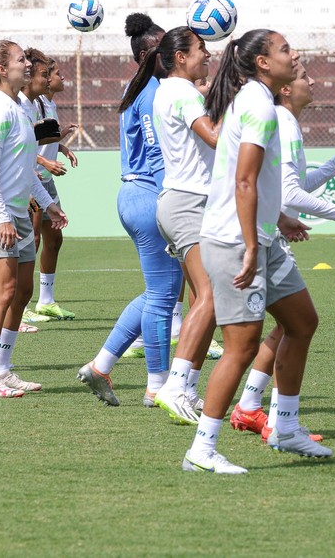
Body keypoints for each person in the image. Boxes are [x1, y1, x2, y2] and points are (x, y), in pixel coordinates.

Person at [183, 29, 329, 474]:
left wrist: (277, 219)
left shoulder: (251, 100)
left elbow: (255, 181)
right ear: (263, 62)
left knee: (302, 321)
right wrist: (250, 246)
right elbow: (243, 180)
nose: (295, 54)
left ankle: (285, 426)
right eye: (286, 49)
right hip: (235, 242)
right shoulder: (261, 106)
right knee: (241, 348)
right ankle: (202, 450)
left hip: (260, 237)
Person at [230, 60, 335, 438]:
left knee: (287, 325)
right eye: (305, 76)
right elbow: (290, 192)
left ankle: (249, 408)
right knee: (289, 326)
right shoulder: (283, 120)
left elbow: (294, 184)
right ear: (288, 89)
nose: (313, 81)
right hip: (263, 236)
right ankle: (270, 421)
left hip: (268, 230)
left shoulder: (283, 119)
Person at [77, 13, 184, 407]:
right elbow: (157, 153)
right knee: (164, 296)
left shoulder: (137, 85)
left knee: (159, 292)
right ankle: (157, 385)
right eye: (165, 50)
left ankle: (102, 365)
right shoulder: (153, 91)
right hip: (149, 195)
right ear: (148, 54)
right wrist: (172, 201)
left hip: (132, 194)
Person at [0, 41, 67, 397]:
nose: (27, 64)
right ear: (1, 69)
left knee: (23, 291)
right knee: (4, 290)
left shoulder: (19, 108)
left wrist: (48, 204)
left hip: (17, 212)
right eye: (21, 59)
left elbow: (25, 170)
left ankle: (3, 369)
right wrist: (2, 218)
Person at [144, 27, 220, 424]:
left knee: (201, 300)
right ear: (179, 57)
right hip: (189, 203)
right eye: (201, 49)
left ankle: (185, 387)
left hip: (184, 202)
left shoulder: (169, 90)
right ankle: (174, 386)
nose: (208, 54)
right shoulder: (183, 92)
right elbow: (214, 138)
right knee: (210, 295)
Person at [31, 55, 79, 320]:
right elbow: (24, 146)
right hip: (34, 178)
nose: (63, 78)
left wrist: (62, 145)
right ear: (46, 78)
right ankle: (20, 305)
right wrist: (44, 162)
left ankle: (46, 301)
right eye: (58, 73)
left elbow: (42, 139)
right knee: (33, 240)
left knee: (54, 238)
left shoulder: (50, 102)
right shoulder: (35, 103)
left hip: (46, 178)